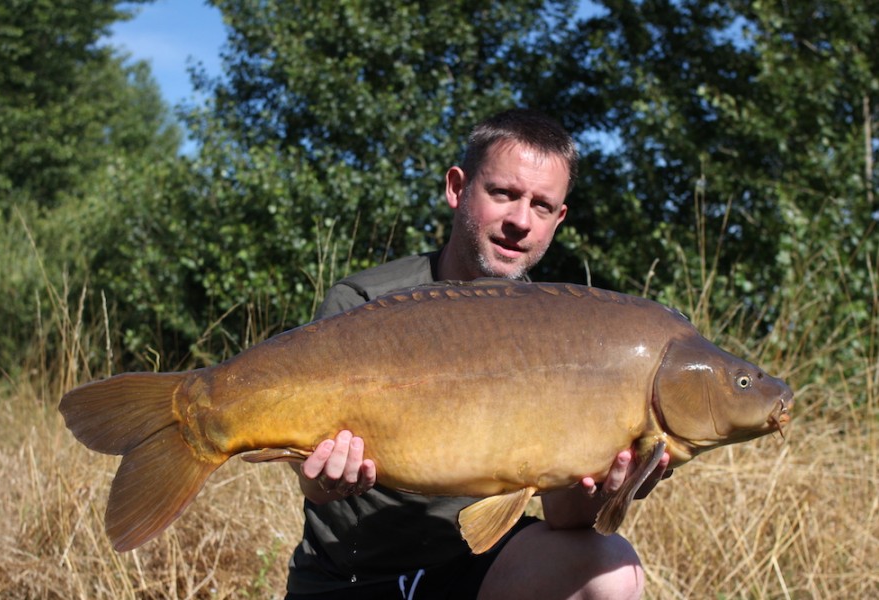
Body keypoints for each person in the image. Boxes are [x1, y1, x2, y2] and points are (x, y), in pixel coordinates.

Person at [284, 109, 671, 599]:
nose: (520, 221)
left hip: (478, 569)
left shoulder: (563, 333)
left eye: (542, 206)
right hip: (353, 579)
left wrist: (614, 484)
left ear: (559, 219)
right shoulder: (364, 305)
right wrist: (321, 479)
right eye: (504, 193)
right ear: (457, 188)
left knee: (613, 571)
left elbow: (567, 520)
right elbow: (312, 481)